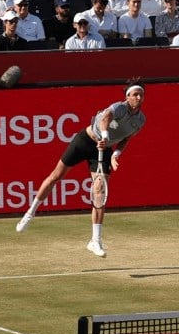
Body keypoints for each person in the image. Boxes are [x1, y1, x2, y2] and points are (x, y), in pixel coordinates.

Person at [16, 80, 147, 258]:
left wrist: (116, 153)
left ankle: (95, 240)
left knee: (99, 191)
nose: (139, 97)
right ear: (127, 97)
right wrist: (106, 134)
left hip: (102, 150)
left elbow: (127, 138)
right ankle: (29, 213)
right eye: (135, 94)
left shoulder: (140, 120)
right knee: (56, 176)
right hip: (85, 140)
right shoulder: (119, 107)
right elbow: (106, 117)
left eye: (141, 95)